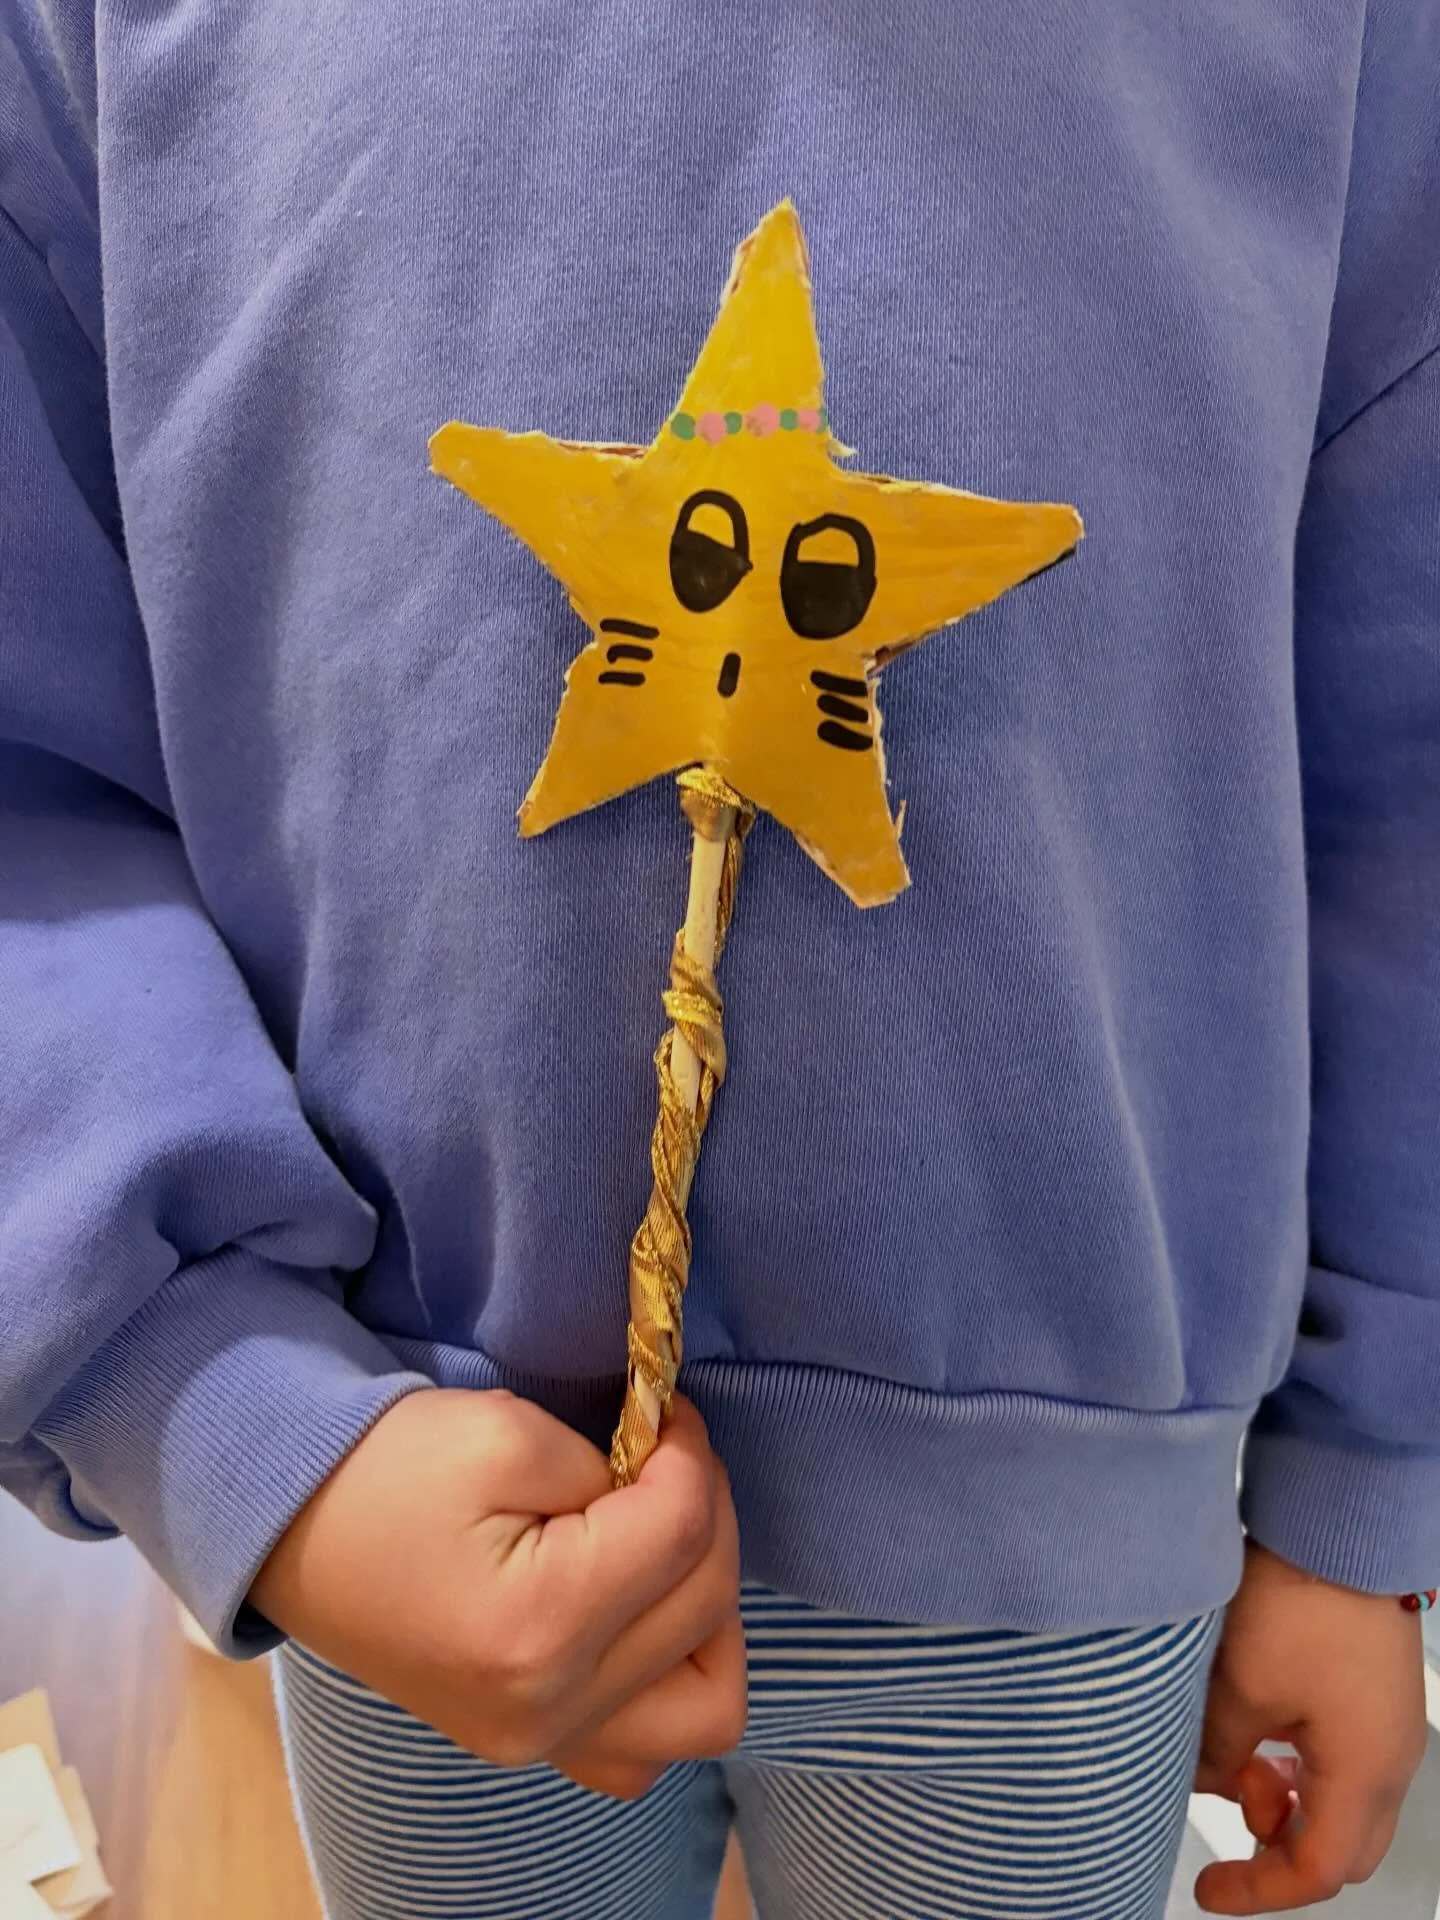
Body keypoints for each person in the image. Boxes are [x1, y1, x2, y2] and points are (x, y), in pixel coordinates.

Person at [2, 1, 1436, 1915]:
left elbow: (1404, 737)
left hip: (1067, 1564)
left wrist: (1367, 1479)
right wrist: (213, 1392)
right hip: (397, 1474)